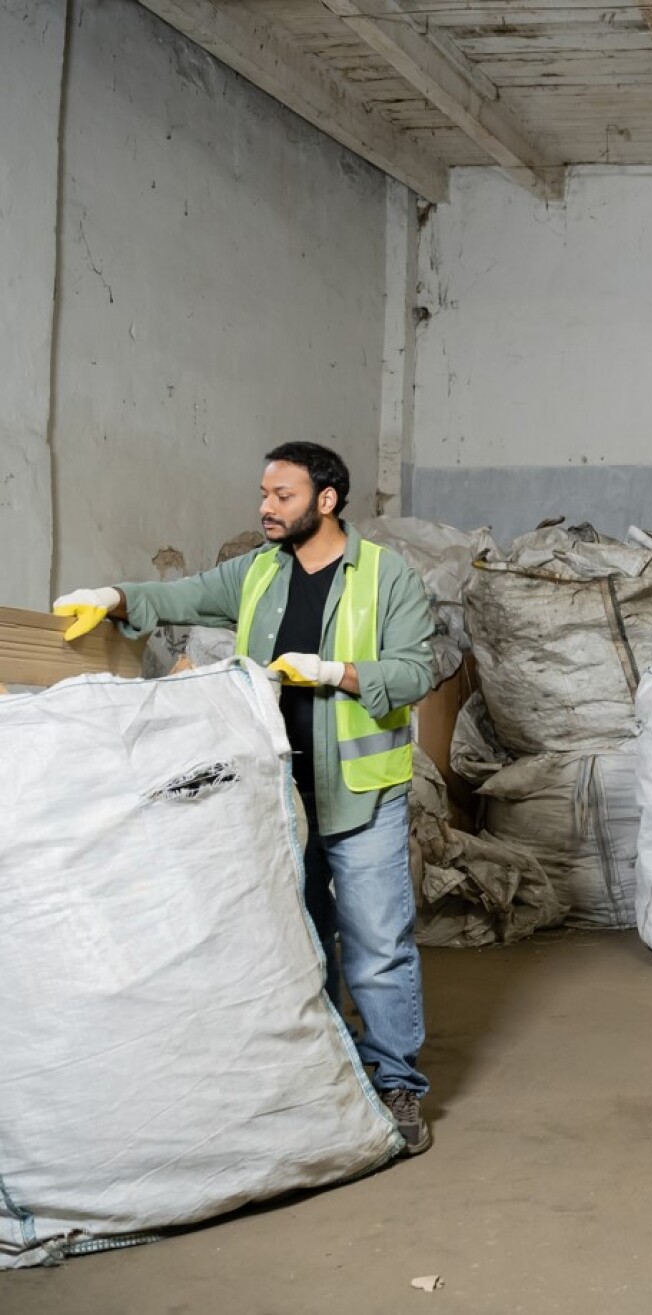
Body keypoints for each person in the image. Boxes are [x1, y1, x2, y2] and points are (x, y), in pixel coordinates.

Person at [52, 442, 440, 1155]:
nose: (266, 507)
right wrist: (116, 598)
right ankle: (334, 1073)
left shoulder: (388, 578)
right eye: (263, 493)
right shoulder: (260, 571)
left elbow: (419, 668)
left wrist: (338, 672)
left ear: (326, 500)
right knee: (303, 938)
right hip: (280, 791)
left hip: (360, 791)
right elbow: (187, 594)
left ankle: (398, 1082)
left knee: (378, 944)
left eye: (283, 495)